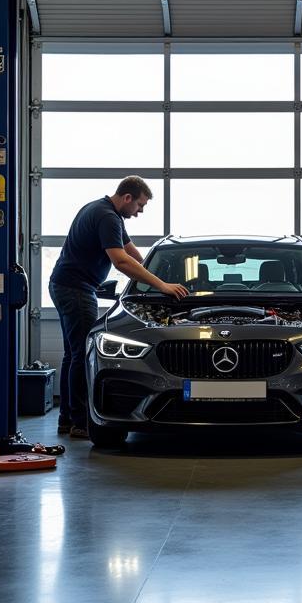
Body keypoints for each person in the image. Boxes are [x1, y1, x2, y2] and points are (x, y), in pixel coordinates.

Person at [49, 176, 188, 439]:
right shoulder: (107, 217)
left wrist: (162, 266)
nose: (140, 211)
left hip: (66, 285)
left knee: (73, 355)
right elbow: (121, 262)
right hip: (75, 289)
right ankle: (80, 422)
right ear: (127, 198)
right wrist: (162, 286)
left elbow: (132, 252)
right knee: (82, 356)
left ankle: (68, 419)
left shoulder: (106, 212)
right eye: (140, 205)